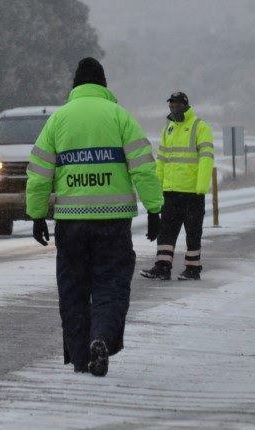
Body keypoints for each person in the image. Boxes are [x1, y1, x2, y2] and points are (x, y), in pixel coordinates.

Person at [26, 57, 163, 377]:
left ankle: (79, 357)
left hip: (71, 222)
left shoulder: (58, 121)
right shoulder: (120, 117)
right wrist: (155, 208)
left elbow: (39, 174)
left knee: (73, 288)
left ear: (75, 85)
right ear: (104, 85)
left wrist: (36, 214)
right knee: (111, 285)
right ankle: (101, 337)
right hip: (113, 223)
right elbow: (143, 166)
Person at [140, 91, 214, 281]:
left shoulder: (200, 127)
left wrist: (201, 188)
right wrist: (158, 188)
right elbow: (162, 161)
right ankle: (163, 267)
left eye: (176, 104)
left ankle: (193, 269)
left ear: (185, 105)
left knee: (193, 232)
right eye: (170, 104)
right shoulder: (169, 129)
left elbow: (206, 159)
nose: (173, 107)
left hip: (192, 193)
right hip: (170, 192)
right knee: (166, 232)